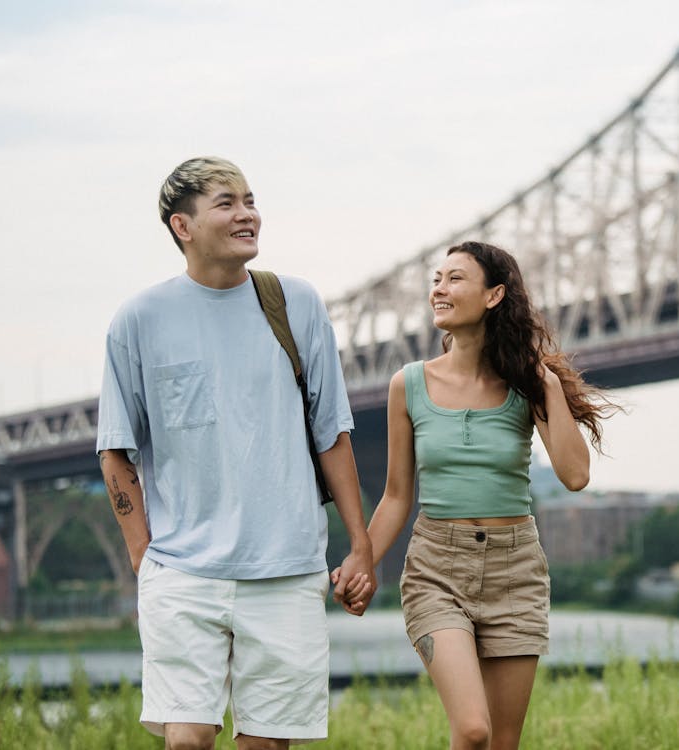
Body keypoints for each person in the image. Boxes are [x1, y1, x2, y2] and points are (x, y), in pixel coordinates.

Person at [96, 156, 375, 750]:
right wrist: (146, 559)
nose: (248, 214)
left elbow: (333, 434)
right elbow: (116, 451)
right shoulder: (138, 319)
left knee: (265, 745)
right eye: (227, 203)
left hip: (288, 568)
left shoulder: (295, 303)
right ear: (183, 226)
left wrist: (361, 545)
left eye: (250, 200)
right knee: (187, 740)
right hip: (181, 571)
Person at [345, 241, 618, 750]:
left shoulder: (527, 385)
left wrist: (548, 385)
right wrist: (362, 561)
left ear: (494, 295)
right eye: (436, 278)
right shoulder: (408, 384)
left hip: (516, 571)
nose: (439, 290)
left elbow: (575, 476)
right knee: (472, 730)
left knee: (503, 741)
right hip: (436, 569)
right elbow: (397, 497)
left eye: (455, 279)